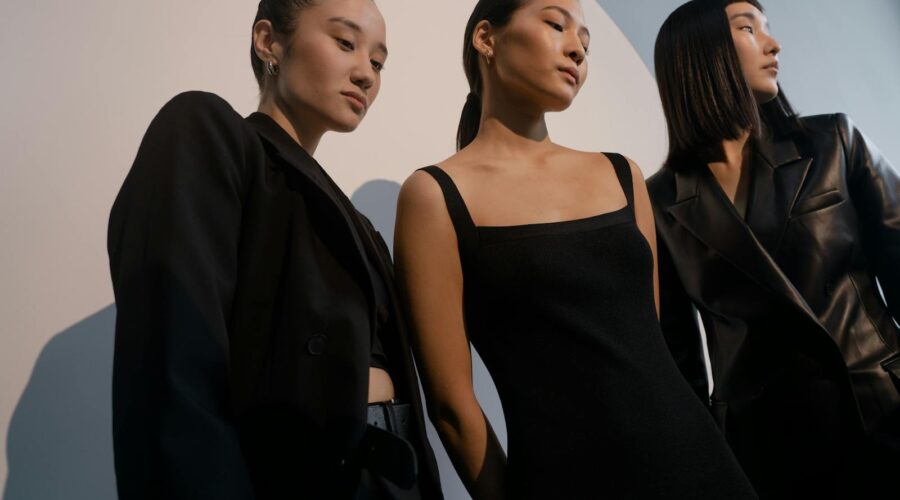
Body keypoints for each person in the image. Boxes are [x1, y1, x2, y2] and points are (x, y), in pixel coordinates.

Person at [393, 0, 758, 498]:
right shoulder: (435, 195)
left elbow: (646, 345)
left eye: (585, 41)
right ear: (486, 39)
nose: (576, 50)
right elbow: (452, 407)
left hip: (701, 465)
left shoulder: (621, 173)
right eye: (555, 23)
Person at [107, 0, 441, 498]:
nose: (366, 74)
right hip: (297, 478)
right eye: (345, 43)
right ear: (268, 41)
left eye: (377, 61)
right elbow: (173, 370)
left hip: (390, 477)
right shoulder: (209, 133)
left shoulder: (358, 225)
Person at [649, 1, 900, 497]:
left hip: (880, 410)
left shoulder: (833, 142)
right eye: (748, 28)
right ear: (700, 54)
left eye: (768, 28)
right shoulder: (662, 202)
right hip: (768, 451)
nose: (773, 43)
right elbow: (680, 362)